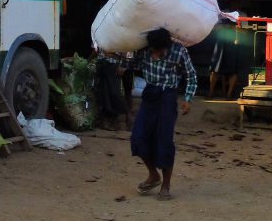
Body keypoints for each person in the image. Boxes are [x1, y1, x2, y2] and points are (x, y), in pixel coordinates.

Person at [130, 27, 197, 202]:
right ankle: (153, 174)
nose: (156, 53)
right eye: (154, 50)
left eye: (159, 50)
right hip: (150, 96)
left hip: (168, 97)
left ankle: (165, 185)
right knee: (138, 137)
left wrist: (188, 99)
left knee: (165, 140)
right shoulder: (144, 51)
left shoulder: (178, 51)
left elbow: (191, 76)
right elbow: (133, 65)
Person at [94, 52, 131, 131]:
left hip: (113, 65)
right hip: (102, 64)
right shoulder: (100, 39)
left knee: (115, 93)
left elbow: (127, 52)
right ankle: (108, 120)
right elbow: (97, 51)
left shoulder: (120, 40)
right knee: (104, 93)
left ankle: (125, 116)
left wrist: (123, 66)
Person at [207, 20, 241, 100]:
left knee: (233, 70)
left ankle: (229, 94)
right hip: (220, 43)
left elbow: (242, 29)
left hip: (233, 43)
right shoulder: (222, 14)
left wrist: (236, 33)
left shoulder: (240, 15)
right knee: (215, 68)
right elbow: (215, 27)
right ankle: (211, 92)